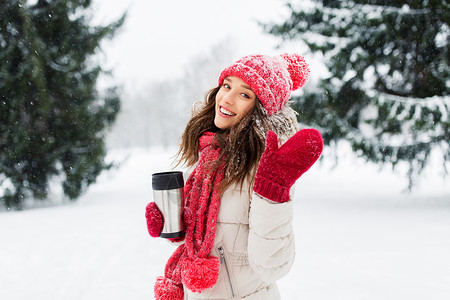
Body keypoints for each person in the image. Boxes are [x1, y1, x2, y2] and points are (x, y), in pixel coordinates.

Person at [145, 53, 323, 300]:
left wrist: (273, 191)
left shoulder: (268, 166)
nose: (226, 98)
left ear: (261, 109)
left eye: (244, 94)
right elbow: (212, 238)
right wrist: (175, 224)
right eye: (227, 86)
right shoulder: (208, 154)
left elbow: (271, 265)